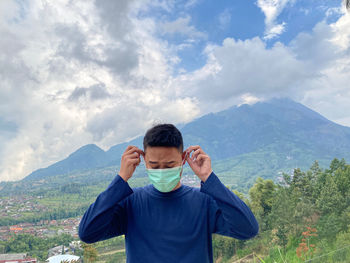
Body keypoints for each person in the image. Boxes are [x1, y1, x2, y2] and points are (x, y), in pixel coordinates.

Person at [78, 123, 259, 263]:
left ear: (182, 159)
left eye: (169, 165)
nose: (162, 170)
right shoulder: (130, 203)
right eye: (154, 165)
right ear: (144, 162)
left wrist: (209, 178)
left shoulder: (204, 202)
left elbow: (248, 229)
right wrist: (121, 179)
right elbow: (88, 233)